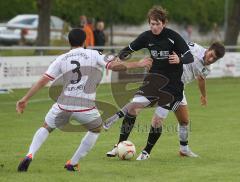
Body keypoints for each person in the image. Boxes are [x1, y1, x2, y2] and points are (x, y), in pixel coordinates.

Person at [16, 28, 152, 172]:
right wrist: (138, 63)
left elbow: (43, 80)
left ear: (69, 42)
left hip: (63, 105)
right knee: (95, 129)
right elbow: (114, 66)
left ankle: (30, 154)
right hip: (85, 107)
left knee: (46, 127)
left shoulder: (61, 58)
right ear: (85, 40)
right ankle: (73, 163)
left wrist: (25, 99)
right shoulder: (94, 54)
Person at [104, 41, 225, 160]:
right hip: (164, 81)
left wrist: (204, 96)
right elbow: (170, 46)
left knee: (184, 121)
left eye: (214, 59)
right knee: (145, 111)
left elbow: (201, 79)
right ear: (208, 49)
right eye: (211, 55)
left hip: (178, 90)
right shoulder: (193, 48)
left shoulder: (208, 68)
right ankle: (123, 146)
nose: (210, 60)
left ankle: (184, 150)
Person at [104, 6, 194, 160]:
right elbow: (129, 49)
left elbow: (189, 57)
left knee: (158, 120)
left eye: (157, 24)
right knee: (132, 109)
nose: (154, 27)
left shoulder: (173, 37)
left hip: (171, 86)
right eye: (151, 24)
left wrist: (180, 59)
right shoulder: (146, 37)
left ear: (164, 23)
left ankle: (146, 152)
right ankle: (119, 145)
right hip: (153, 81)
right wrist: (118, 58)